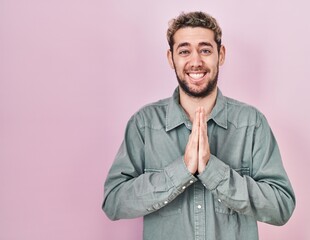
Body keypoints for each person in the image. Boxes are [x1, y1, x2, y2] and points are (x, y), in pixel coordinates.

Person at [102, 11, 295, 240]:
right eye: (184, 51)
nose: (195, 62)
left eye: (205, 50)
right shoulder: (143, 125)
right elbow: (114, 201)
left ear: (220, 55)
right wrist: (180, 171)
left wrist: (212, 170)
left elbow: (281, 206)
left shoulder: (251, 124)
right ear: (171, 58)